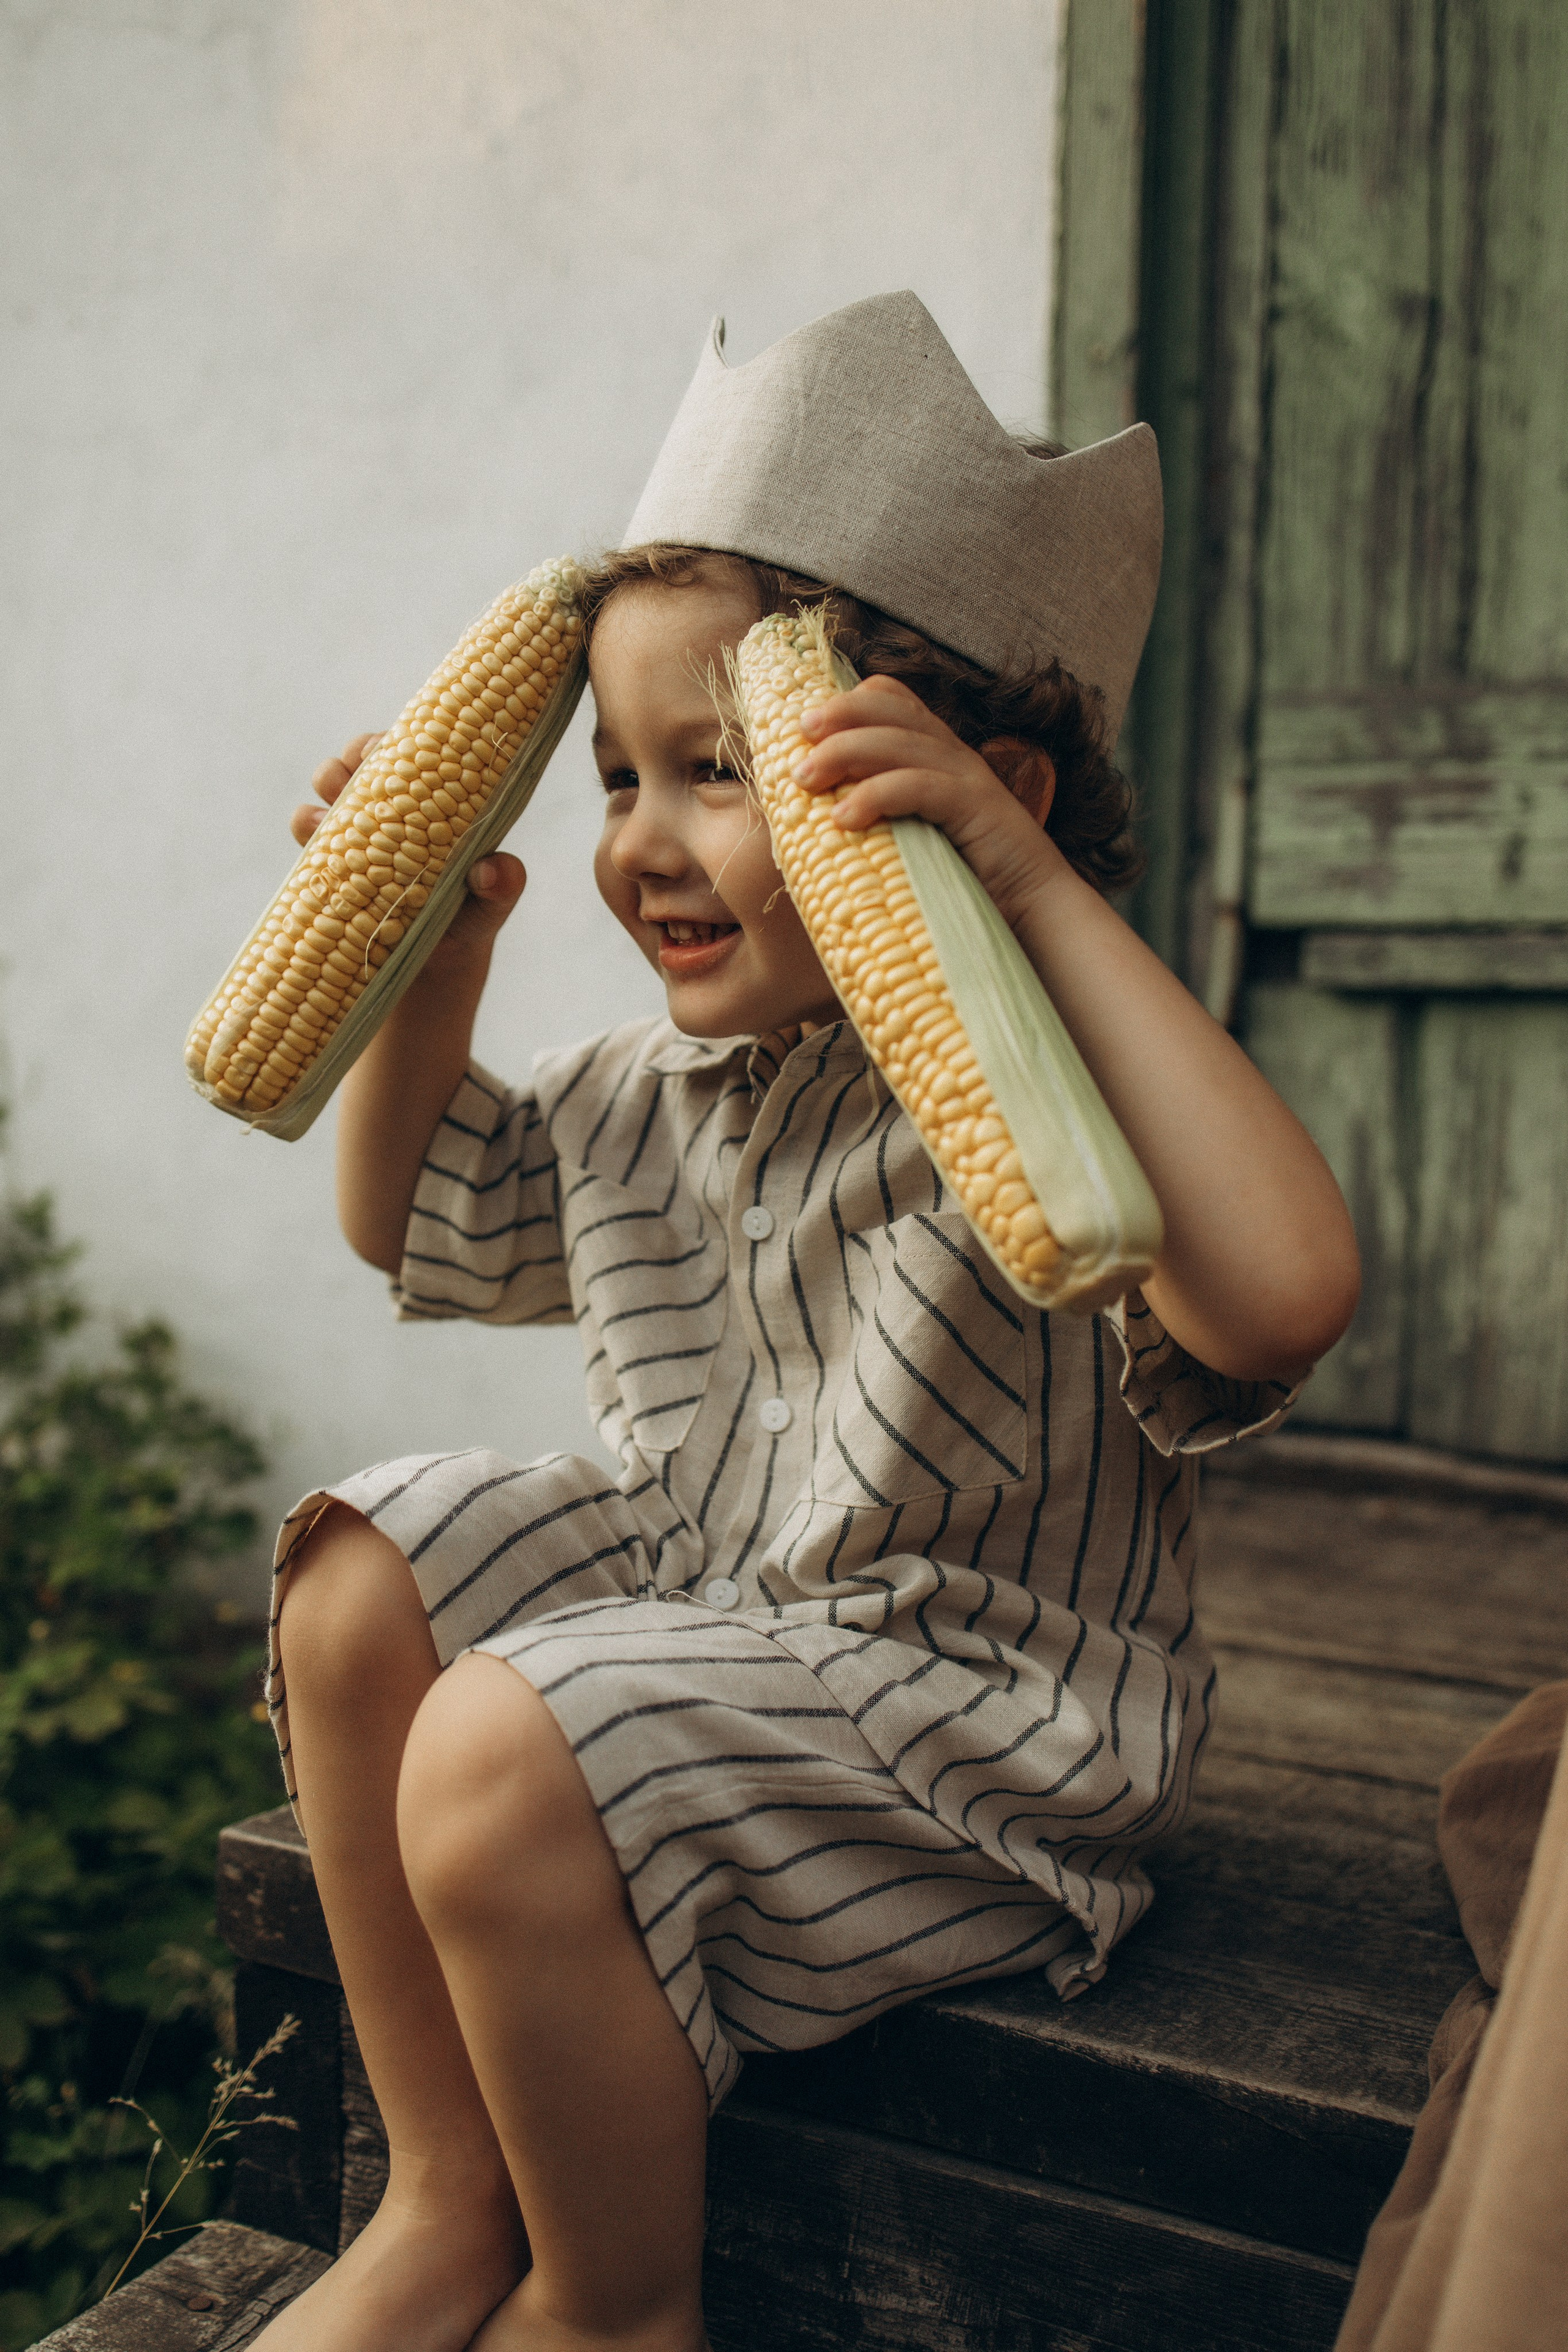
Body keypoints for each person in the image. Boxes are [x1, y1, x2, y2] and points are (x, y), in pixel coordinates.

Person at [251, 293, 1360, 2352]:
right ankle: (447, 2190)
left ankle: (613, 2303)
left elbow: (1287, 1290)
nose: (641, 844)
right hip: (716, 1604)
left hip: (967, 1725)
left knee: (497, 1735)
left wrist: (1031, 889)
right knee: (354, 1581)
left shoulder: (1054, 1101)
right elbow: (404, 1214)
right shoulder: (650, 1090)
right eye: (616, 776)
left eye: (720, 774)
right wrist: (426, 952)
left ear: (976, 794)